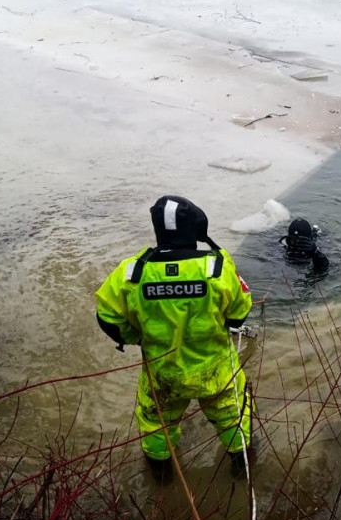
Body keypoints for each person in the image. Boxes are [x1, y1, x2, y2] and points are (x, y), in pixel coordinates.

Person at [95, 196, 255, 469]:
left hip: (162, 373)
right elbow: (240, 312)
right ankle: (242, 469)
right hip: (215, 371)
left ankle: (160, 480)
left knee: (157, 424)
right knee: (233, 416)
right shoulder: (217, 267)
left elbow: (108, 318)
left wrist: (135, 337)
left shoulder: (132, 272)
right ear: (194, 229)